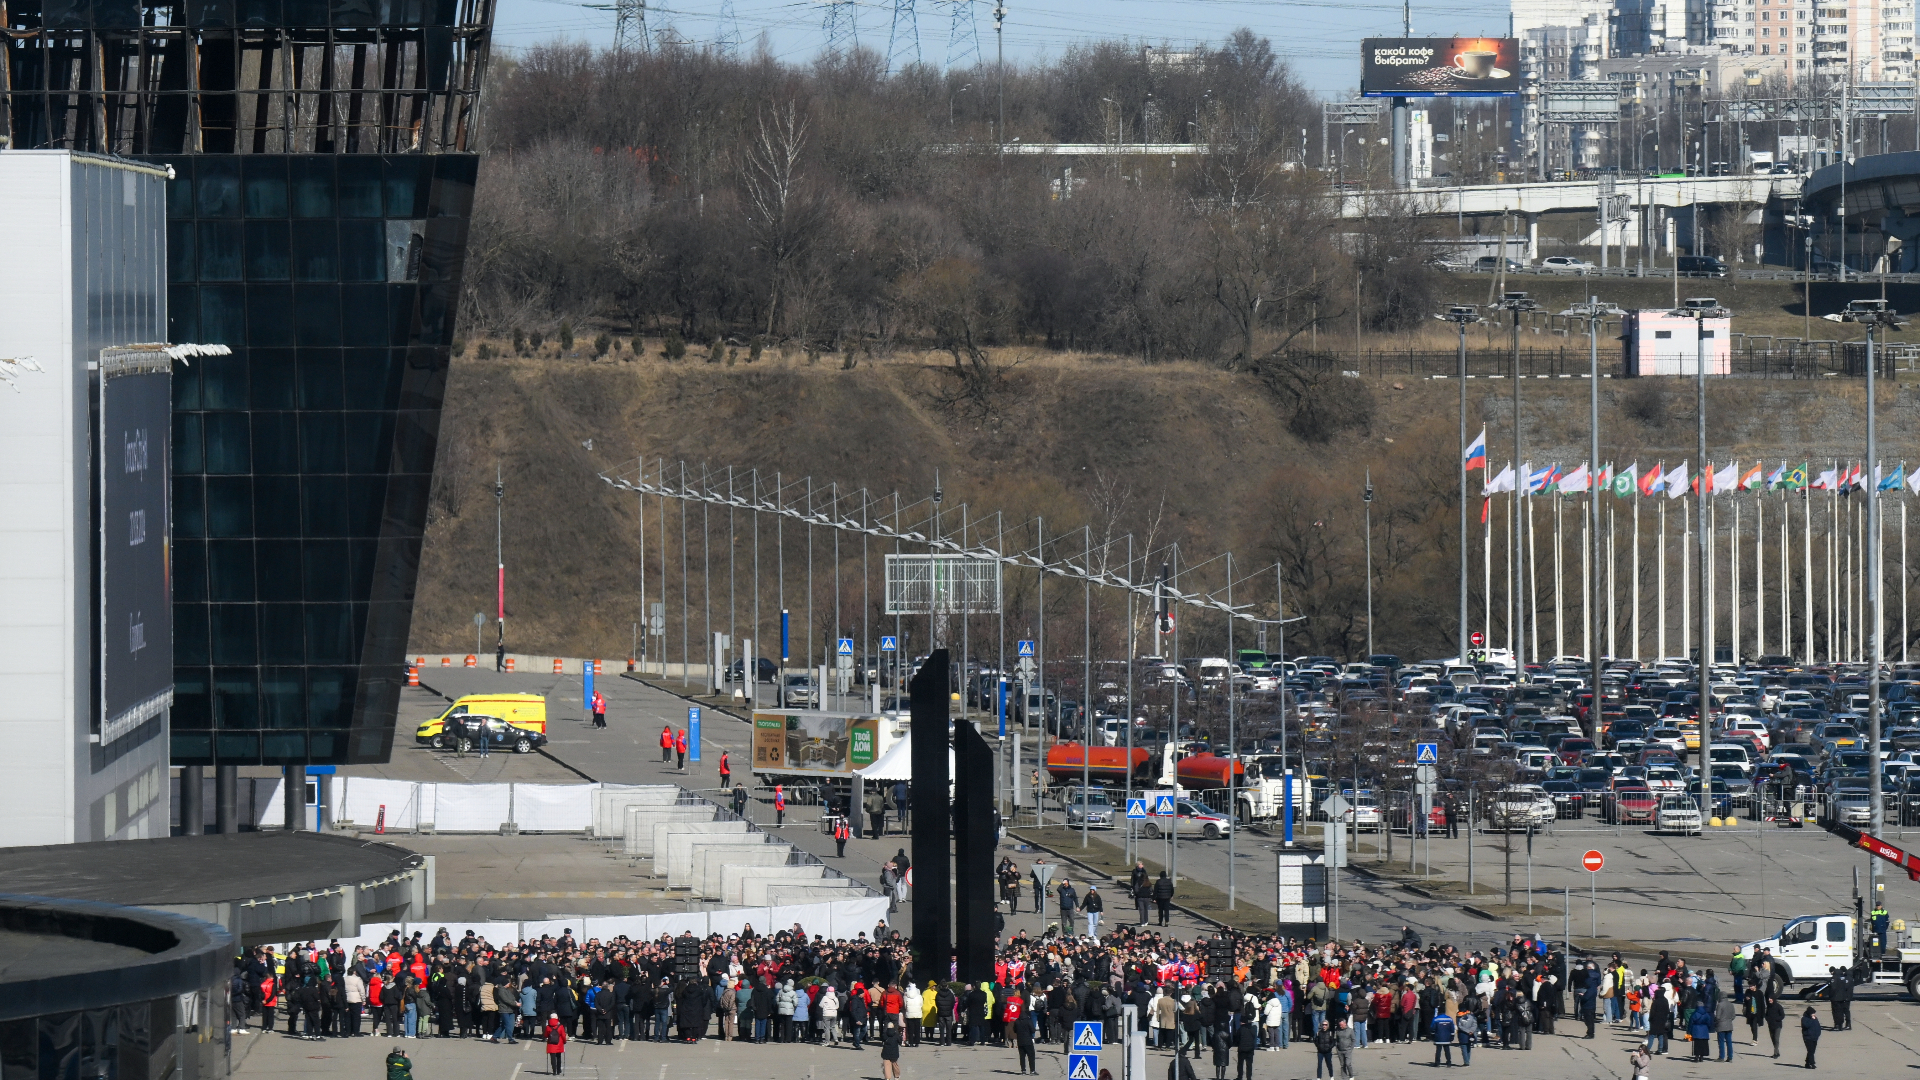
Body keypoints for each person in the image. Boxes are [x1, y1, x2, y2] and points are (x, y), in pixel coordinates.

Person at [1011, 988, 1037, 1074]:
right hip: (1028, 1040)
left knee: (1022, 1056)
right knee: (1031, 1055)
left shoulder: (1017, 1021)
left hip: (1020, 1040)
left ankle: (1023, 1070)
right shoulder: (1028, 1020)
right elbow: (1033, 1030)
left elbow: (1014, 1030)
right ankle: (1032, 1070)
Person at [1714, 991, 1736, 1062]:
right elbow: (1733, 1016)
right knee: (1729, 1042)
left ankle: (1721, 1057)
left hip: (1721, 1025)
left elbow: (1717, 1017)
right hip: (1729, 1025)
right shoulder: (1731, 1004)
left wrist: (1716, 1022)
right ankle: (1730, 1057)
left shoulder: (1720, 1005)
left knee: (1721, 1042)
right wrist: (1729, 1020)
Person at [1766, 994, 1786, 1059]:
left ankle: (1775, 1053)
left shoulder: (1778, 1007)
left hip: (1777, 1025)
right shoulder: (1769, 1007)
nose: (1769, 1000)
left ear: (1774, 999)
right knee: (1773, 1039)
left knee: (1776, 1039)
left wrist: (1776, 1019)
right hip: (1770, 1025)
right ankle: (1777, 1052)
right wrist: (1767, 1019)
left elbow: (1782, 1016)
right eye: (1769, 998)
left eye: (1771, 998)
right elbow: (1766, 1014)